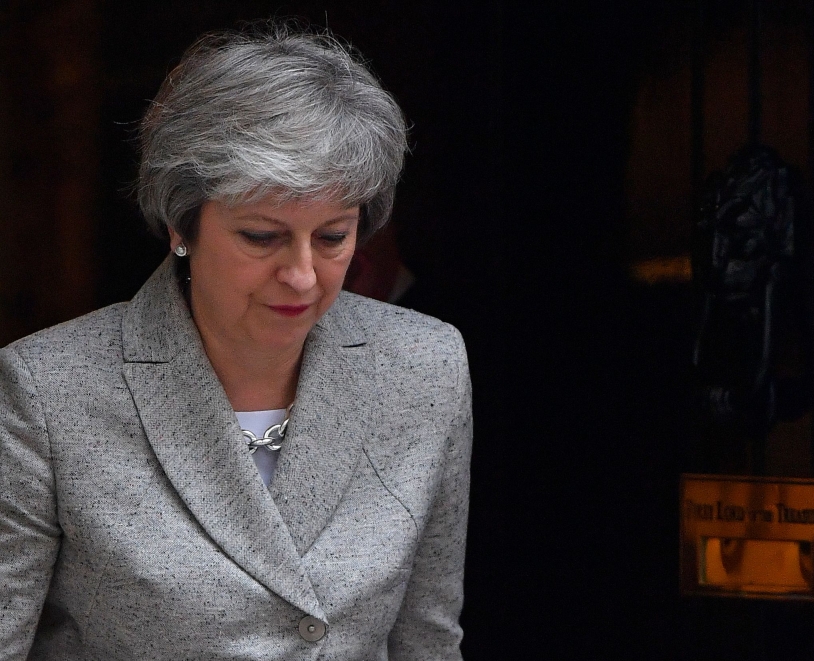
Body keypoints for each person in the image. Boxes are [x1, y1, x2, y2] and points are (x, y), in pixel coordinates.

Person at [0, 23, 471, 661]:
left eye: (332, 237)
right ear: (180, 223)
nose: (302, 275)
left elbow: (428, 640)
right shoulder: (46, 391)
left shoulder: (425, 366)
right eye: (261, 236)